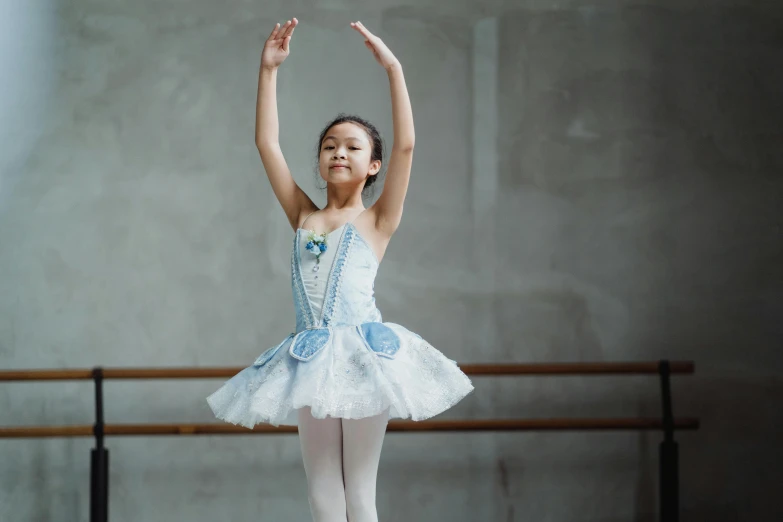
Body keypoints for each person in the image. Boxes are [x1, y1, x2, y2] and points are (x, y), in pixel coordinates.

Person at [207, 18, 474, 522]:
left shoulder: (377, 219)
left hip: (362, 356)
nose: (339, 152)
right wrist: (268, 71)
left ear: (373, 165)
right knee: (322, 492)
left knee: (359, 494)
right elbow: (267, 146)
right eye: (330, 145)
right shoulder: (305, 216)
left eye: (353, 146)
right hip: (310, 357)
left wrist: (393, 69)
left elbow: (408, 146)